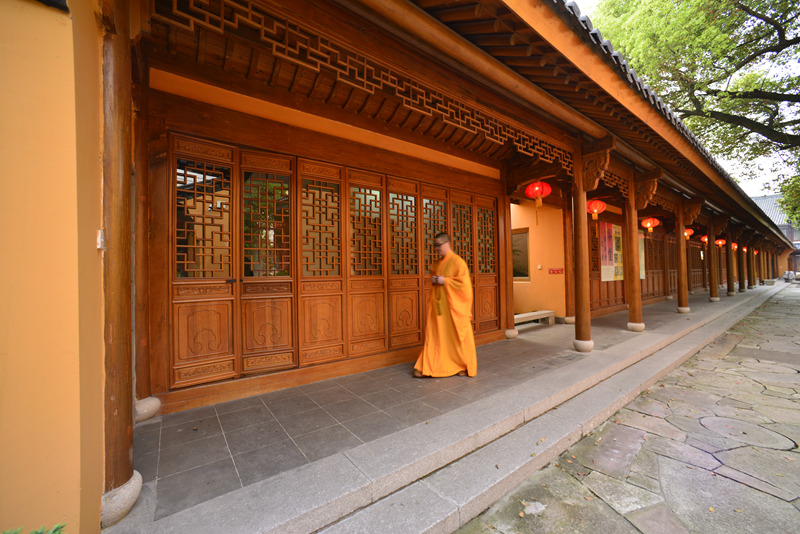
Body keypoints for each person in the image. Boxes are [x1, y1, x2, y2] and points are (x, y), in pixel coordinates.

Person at [413, 232, 477, 378]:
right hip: (440, 309)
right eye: (434, 246)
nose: (436, 249)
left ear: (447, 243)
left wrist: (445, 281)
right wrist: (436, 280)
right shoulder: (437, 264)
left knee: (457, 337)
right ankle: (428, 366)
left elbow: (465, 287)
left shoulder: (458, 262)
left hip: (454, 309)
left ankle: (462, 365)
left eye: (438, 246)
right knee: (436, 337)